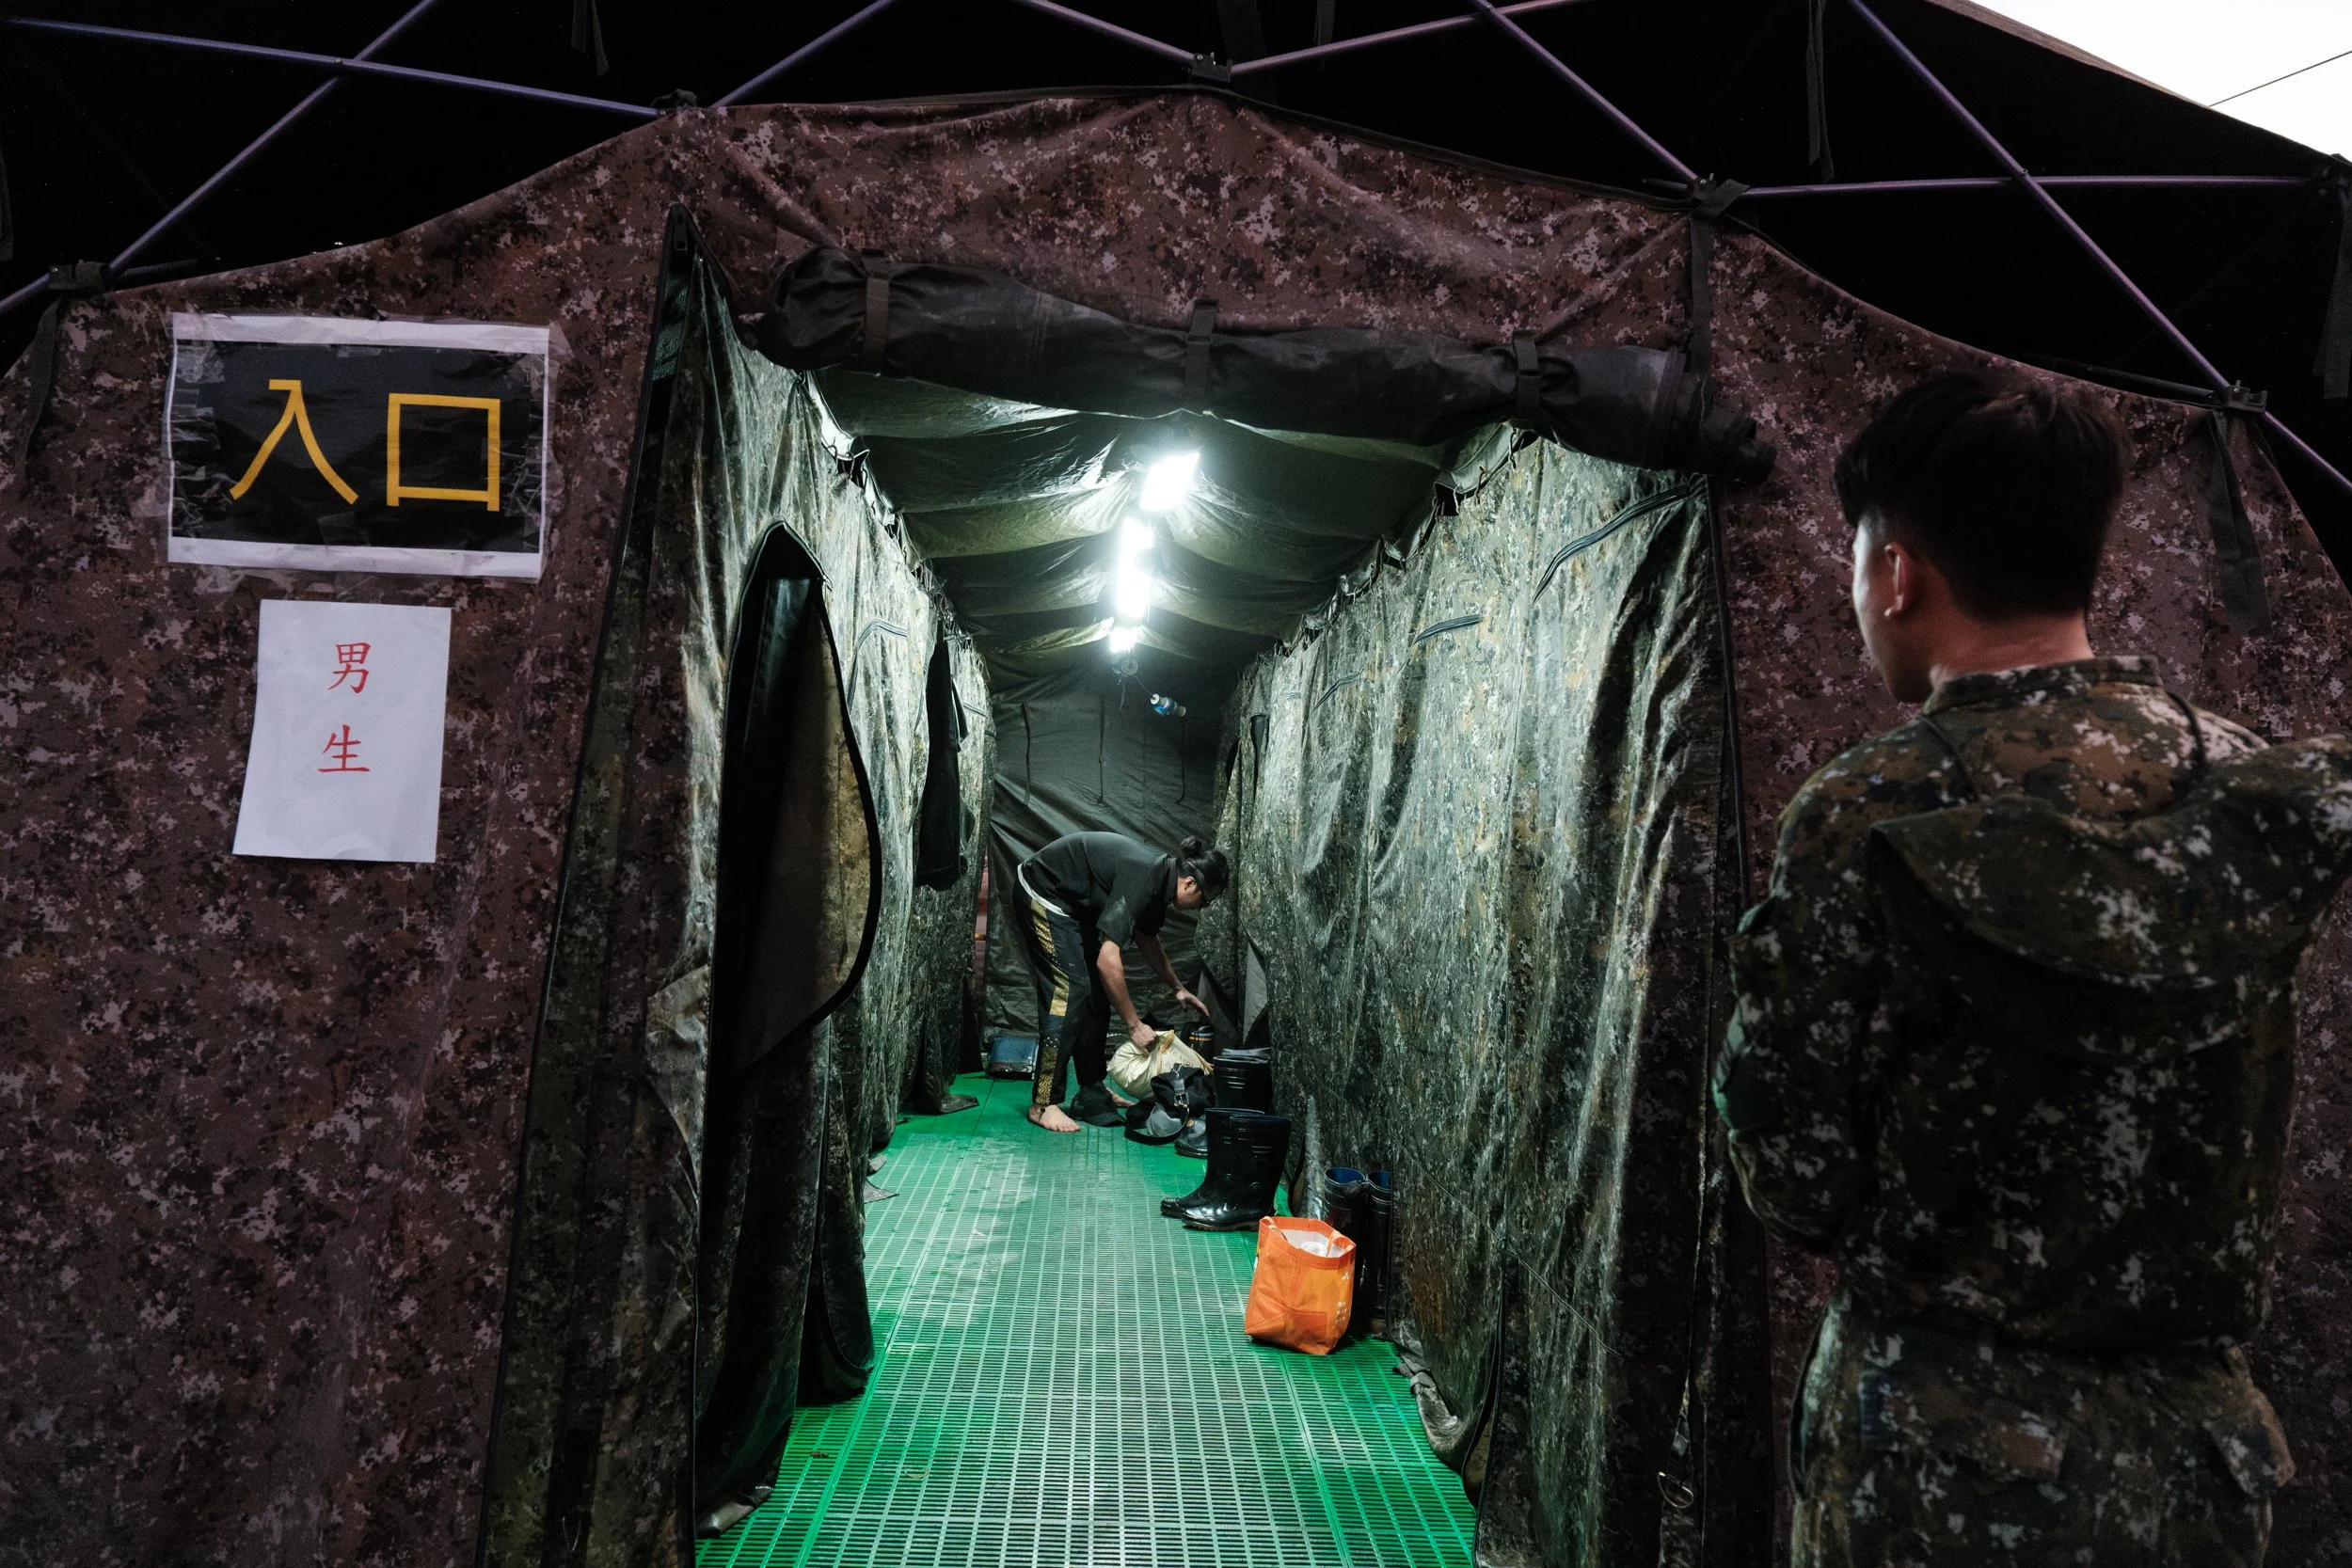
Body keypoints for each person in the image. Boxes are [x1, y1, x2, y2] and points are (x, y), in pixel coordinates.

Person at [1711, 371, 2350, 1565]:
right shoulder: (2244, 781)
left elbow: (1791, 1172)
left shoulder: (1868, 809)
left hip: (1939, 1455)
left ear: (1899, 574)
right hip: (2200, 1464)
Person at [1017, 832, 1228, 1133]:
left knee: (1097, 995)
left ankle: (1092, 1088)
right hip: (1041, 892)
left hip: (1074, 910)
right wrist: (1133, 1023)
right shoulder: (1145, 877)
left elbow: (1147, 939)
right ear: (1190, 883)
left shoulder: (1161, 885)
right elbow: (1108, 960)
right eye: (1204, 901)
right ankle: (1043, 1102)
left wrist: (1177, 988)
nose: (1201, 908)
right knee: (1069, 990)